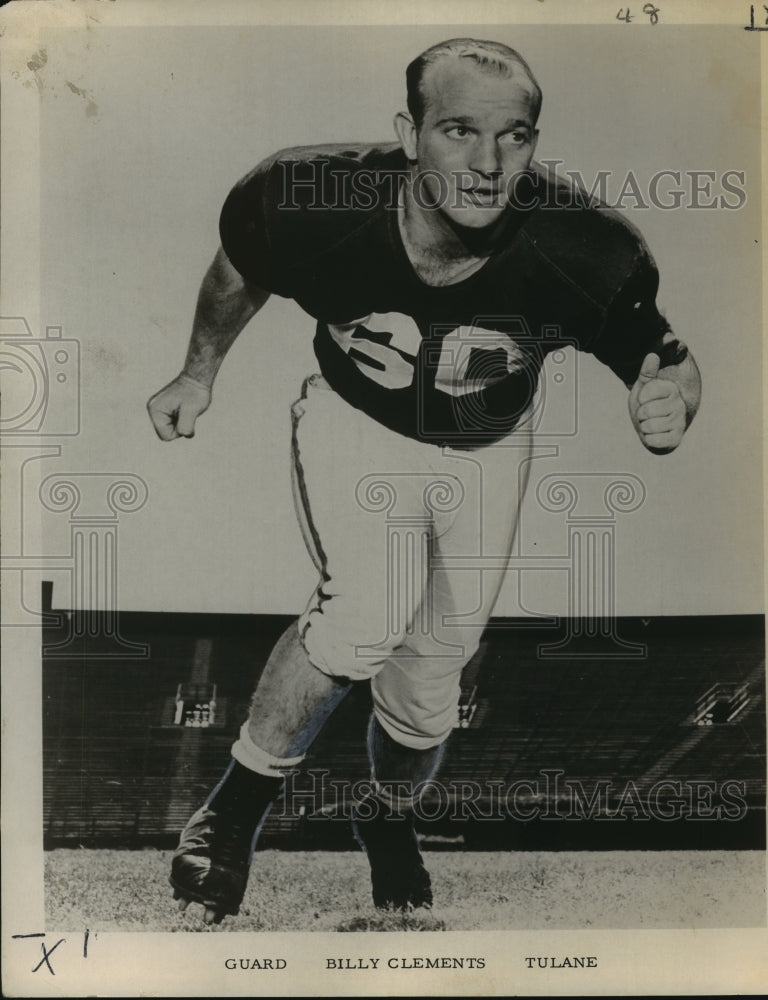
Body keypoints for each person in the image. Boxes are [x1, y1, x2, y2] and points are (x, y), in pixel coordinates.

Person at [147, 38, 701, 924]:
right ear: (409, 133)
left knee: (433, 674)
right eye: (458, 130)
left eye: (514, 137)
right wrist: (197, 372)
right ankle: (232, 813)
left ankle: (389, 819)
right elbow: (238, 274)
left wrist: (670, 396)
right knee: (365, 613)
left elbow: (664, 356)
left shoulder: (579, 244)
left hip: (488, 449)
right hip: (357, 421)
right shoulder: (311, 198)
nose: (488, 165)